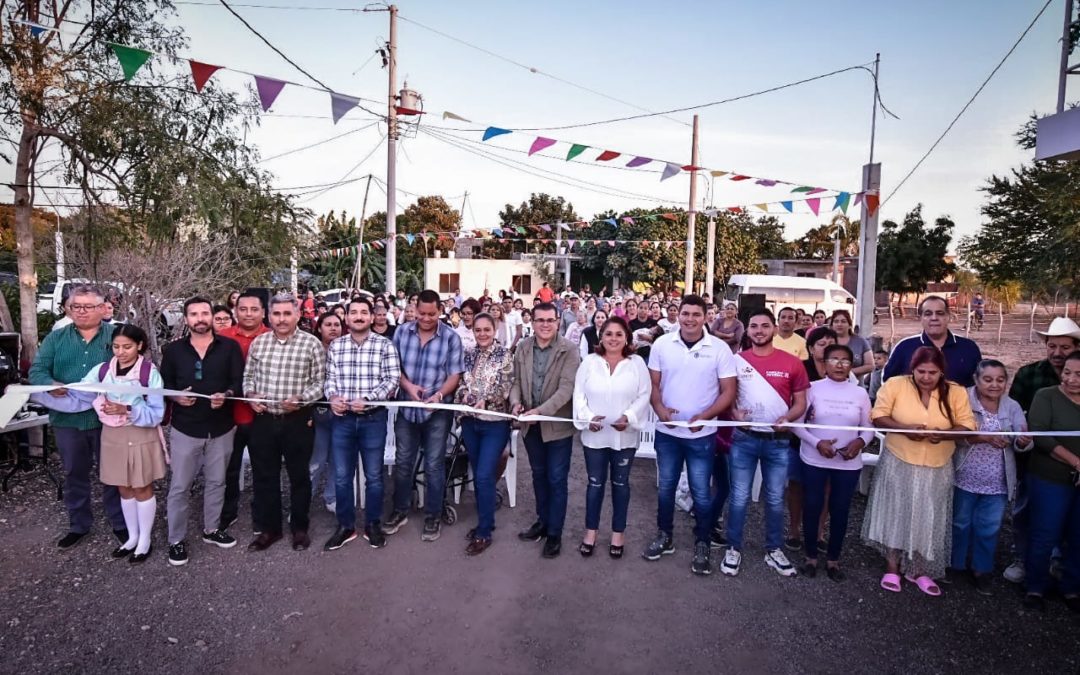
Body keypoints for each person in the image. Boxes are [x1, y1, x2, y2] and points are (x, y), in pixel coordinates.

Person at [864, 346, 976, 596]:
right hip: (899, 459)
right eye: (921, 371)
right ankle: (892, 566)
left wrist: (944, 434)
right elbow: (879, 415)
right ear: (912, 369)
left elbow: (967, 424)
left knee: (929, 517)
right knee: (896, 511)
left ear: (941, 372)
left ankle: (919, 569)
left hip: (937, 464)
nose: (926, 377)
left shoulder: (955, 391)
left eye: (933, 372)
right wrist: (906, 429)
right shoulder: (895, 384)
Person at [29, 284, 127, 549]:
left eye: (88, 306)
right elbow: (37, 371)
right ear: (68, 309)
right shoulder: (56, 339)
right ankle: (79, 525)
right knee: (74, 473)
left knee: (112, 473)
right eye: (76, 306)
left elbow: (134, 369)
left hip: (106, 419)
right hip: (68, 421)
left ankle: (120, 523)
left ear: (103, 308)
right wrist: (51, 384)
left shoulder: (116, 336)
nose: (81, 312)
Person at [647, 295, 736, 575]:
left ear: (706, 316)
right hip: (668, 432)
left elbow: (729, 392)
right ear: (678, 315)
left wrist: (706, 416)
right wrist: (659, 409)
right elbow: (653, 384)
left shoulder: (720, 349)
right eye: (685, 313)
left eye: (696, 314)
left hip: (702, 434)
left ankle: (703, 541)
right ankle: (665, 535)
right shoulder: (662, 344)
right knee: (666, 488)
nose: (689, 319)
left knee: (701, 491)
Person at [722, 309, 809, 578]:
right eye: (754, 326)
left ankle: (774, 549)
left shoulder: (792, 362)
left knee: (774, 498)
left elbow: (801, 403)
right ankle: (733, 548)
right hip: (744, 440)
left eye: (764, 325)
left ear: (773, 329)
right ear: (747, 331)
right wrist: (735, 415)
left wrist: (788, 418)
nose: (759, 330)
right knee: (738, 496)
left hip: (778, 441)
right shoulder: (735, 361)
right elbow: (728, 397)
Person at [160, 297, 245, 566]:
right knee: (180, 486)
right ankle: (176, 540)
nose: (200, 318)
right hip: (186, 427)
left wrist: (227, 395)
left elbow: (238, 382)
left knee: (217, 481)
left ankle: (212, 529)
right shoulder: (173, 351)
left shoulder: (229, 347)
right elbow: (165, 385)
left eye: (204, 313)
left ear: (212, 316)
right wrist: (176, 398)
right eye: (194, 314)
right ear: (186, 319)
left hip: (221, 427)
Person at [243, 293, 326, 552]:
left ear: (298, 315)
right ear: (269, 316)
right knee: (265, 476)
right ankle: (270, 529)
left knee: (299, 476)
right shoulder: (259, 343)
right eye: (276, 314)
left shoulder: (312, 344)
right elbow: (248, 378)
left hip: (297, 420)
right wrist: (250, 396)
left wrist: (302, 399)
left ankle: (299, 529)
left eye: (287, 313)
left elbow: (320, 383)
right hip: (264, 420)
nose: (281, 319)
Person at [79, 324, 166, 563]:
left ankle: (145, 539)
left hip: (139, 433)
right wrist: (57, 389)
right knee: (123, 486)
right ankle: (132, 536)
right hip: (112, 434)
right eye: (116, 346)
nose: (120, 352)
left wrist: (127, 408)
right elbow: (83, 391)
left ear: (140, 346)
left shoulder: (149, 373)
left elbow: (157, 413)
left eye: (127, 346)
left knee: (141, 485)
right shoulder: (103, 370)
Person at [1003, 317, 1080, 583]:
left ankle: (1058, 562)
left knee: (1071, 516)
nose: (1057, 353)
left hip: (1073, 464)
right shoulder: (1029, 373)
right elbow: (1013, 412)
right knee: (1025, 508)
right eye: (1052, 346)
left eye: (1065, 347)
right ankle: (1022, 559)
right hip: (1035, 457)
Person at [384, 289, 465, 542]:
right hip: (407, 408)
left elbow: (455, 376)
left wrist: (438, 396)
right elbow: (393, 367)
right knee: (404, 461)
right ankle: (400, 511)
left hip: (437, 411)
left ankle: (433, 514)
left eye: (432, 314)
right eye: (422, 313)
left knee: (434, 464)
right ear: (415, 309)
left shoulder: (451, 338)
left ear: (440, 311)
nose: (427, 318)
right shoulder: (401, 332)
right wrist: (409, 388)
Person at [323, 297, 401, 552]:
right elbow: (329, 379)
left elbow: (392, 380)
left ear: (372, 317)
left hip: (372, 420)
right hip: (342, 420)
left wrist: (367, 399)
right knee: (343, 478)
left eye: (363, 312)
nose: (358, 316)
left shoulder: (384, 345)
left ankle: (372, 525)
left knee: (374, 477)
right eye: (353, 312)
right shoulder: (336, 346)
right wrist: (333, 397)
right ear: (346, 318)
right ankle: (345, 526)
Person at [949, 360, 1032, 594]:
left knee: (989, 526)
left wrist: (1023, 442)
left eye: (1000, 379)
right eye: (988, 379)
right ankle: (955, 565)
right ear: (976, 380)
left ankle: (981, 569)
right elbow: (952, 435)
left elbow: (1021, 437)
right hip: (963, 475)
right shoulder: (963, 399)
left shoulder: (1012, 406)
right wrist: (982, 437)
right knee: (960, 522)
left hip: (998, 480)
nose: (994, 384)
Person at [792, 344, 874, 580]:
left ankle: (833, 560)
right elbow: (796, 424)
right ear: (824, 364)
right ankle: (810, 557)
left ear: (852, 365)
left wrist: (859, 443)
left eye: (845, 361)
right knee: (813, 506)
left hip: (848, 463)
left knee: (840, 510)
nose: (840, 365)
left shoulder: (859, 393)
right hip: (814, 459)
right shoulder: (812, 389)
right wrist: (817, 443)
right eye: (834, 360)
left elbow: (868, 428)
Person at [573, 316, 650, 559]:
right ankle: (591, 532)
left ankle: (618, 533)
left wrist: (628, 416)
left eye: (619, 334)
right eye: (608, 334)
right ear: (601, 337)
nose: (613, 339)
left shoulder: (636, 363)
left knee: (621, 485)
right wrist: (588, 418)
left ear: (627, 337)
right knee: (595, 484)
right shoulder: (589, 362)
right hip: (594, 437)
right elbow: (578, 396)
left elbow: (644, 395)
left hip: (623, 437)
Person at [511, 301, 581, 559]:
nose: (545, 324)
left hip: (557, 427)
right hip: (531, 427)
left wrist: (540, 412)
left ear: (558, 320)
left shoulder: (570, 350)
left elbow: (566, 389)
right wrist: (516, 402)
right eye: (540, 320)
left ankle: (555, 533)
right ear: (532, 321)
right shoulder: (523, 347)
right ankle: (542, 521)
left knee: (556, 479)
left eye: (550, 320)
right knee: (538, 476)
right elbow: (516, 381)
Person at [1022, 350, 1080, 613]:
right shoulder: (1046, 396)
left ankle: (1071, 588)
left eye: (1079, 374)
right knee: (1045, 534)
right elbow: (1042, 436)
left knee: (1078, 536)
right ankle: (1035, 586)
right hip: (1050, 478)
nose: (1071, 379)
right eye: (1067, 372)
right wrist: (1076, 462)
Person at [455, 312, 514, 556]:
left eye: (486, 329)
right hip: (471, 423)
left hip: (494, 424)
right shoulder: (468, 355)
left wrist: (485, 401)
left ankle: (484, 533)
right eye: (478, 330)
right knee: (481, 475)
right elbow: (460, 384)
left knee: (482, 476)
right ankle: (485, 522)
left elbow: (505, 387)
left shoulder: (504, 355)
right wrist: (466, 396)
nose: (482, 334)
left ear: (495, 329)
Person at [217, 292, 270, 534]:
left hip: (263, 416)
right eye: (243, 309)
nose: (248, 313)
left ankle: (262, 516)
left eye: (254, 309)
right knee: (229, 469)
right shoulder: (222, 338)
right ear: (235, 311)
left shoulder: (273, 337)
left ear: (263, 312)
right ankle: (226, 514)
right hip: (229, 416)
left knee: (264, 469)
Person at [786, 325, 836, 552]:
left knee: (825, 488)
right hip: (800, 438)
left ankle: (819, 532)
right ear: (810, 348)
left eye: (831, 343)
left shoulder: (843, 371)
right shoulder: (800, 368)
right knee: (797, 485)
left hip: (832, 442)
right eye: (821, 344)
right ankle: (795, 530)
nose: (826, 348)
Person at [884, 295, 982, 387]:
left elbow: (979, 385)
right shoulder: (904, 347)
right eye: (928, 314)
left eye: (940, 313)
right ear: (921, 318)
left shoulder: (968, 348)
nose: (934, 318)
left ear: (948, 317)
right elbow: (887, 383)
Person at [308, 312, 343, 517]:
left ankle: (332, 497)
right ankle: (305, 499)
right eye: (328, 324)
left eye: (337, 324)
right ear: (319, 328)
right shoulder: (313, 350)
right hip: (317, 415)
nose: (333, 328)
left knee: (337, 460)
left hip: (342, 414)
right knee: (316, 461)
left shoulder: (346, 349)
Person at [830, 309, 873, 379]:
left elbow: (870, 366)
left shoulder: (861, 341)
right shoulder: (827, 342)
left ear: (849, 325)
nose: (839, 324)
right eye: (836, 321)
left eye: (843, 321)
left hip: (856, 385)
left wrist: (849, 372)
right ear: (832, 325)